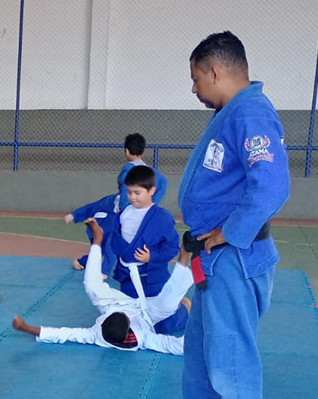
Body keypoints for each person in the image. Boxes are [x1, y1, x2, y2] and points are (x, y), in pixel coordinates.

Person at [161, 31, 289, 399]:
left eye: (196, 78)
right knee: (199, 349)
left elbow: (270, 184)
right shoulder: (231, 113)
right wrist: (193, 236)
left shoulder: (251, 113)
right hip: (210, 255)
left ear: (215, 70)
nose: (194, 87)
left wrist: (231, 232)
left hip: (235, 255)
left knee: (231, 354)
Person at [11, 218, 193, 354]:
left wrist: (26, 328)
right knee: (168, 304)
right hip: (147, 314)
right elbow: (171, 345)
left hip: (112, 304)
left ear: (105, 320)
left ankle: (97, 241)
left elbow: (65, 333)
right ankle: (184, 258)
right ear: (129, 325)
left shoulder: (95, 333)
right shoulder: (143, 337)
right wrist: (204, 343)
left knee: (91, 286)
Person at [94, 165, 189, 333]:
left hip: (152, 277)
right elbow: (115, 244)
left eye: (137, 193)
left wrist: (152, 256)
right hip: (128, 276)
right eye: (129, 192)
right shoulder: (123, 214)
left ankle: (184, 309)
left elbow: (172, 246)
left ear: (152, 190)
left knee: (162, 326)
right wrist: (105, 266)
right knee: (131, 322)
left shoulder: (162, 217)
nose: (132, 197)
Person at [66, 133, 169, 267]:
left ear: (126, 151)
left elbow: (125, 190)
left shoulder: (128, 170)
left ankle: (95, 264)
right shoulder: (154, 174)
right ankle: (76, 218)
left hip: (120, 209)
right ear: (143, 151)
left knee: (105, 232)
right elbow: (163, 184)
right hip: (134, 209)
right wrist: (150, 205)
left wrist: (125, 206)